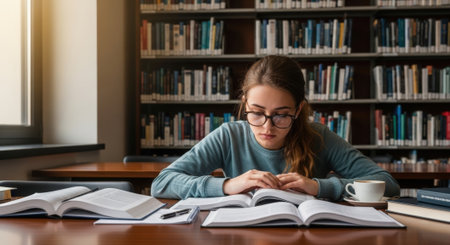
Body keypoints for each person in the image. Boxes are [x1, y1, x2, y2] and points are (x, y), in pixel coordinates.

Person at [151, 55, 400, 201]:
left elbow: (386, 183)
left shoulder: (318, 136)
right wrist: (227, 186)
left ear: (298, 110)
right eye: (257, 113)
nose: (267, 127)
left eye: (281, 115)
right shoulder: (229, 135)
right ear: (245, 104)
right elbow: (162, 183)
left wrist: (319, 186)